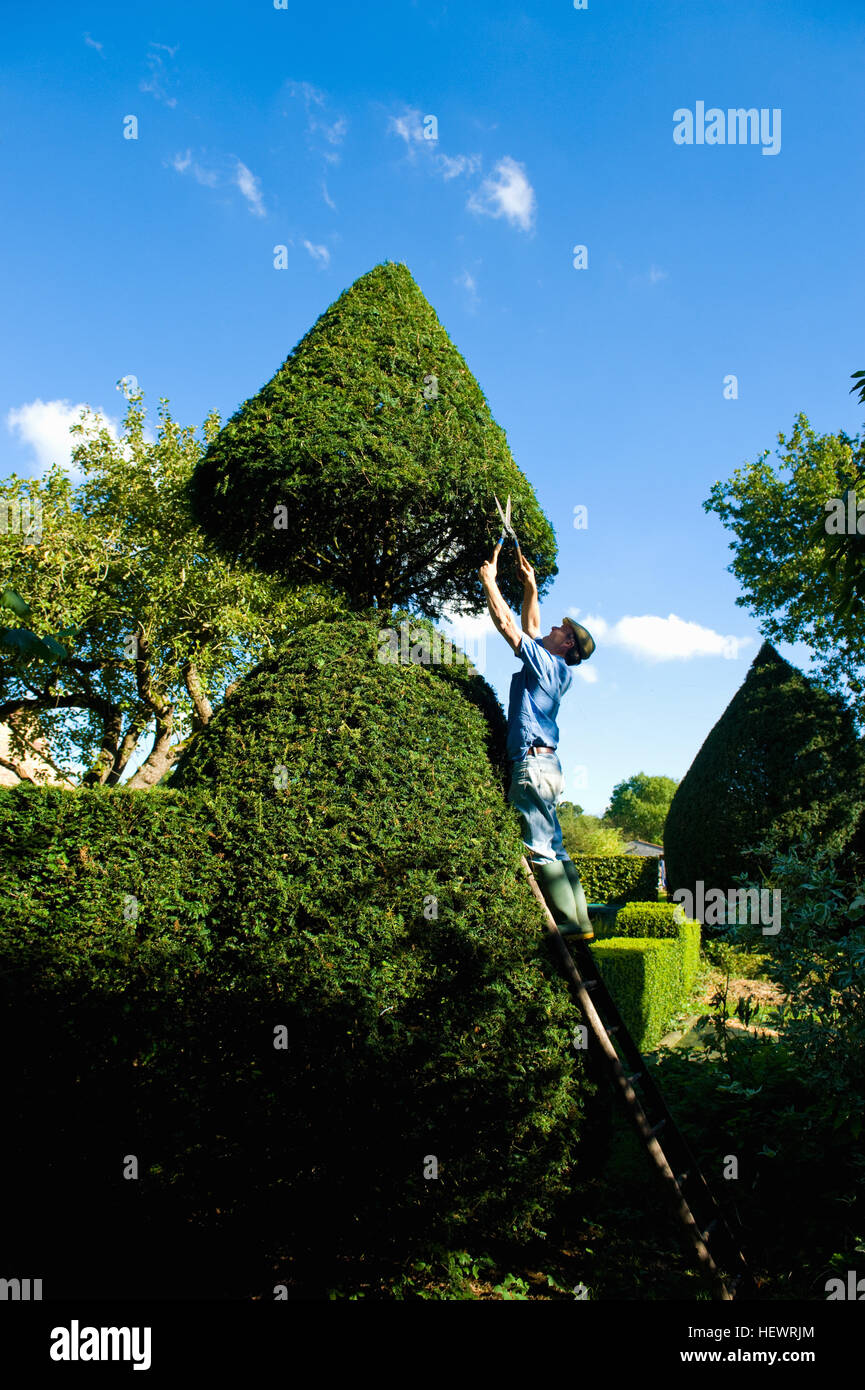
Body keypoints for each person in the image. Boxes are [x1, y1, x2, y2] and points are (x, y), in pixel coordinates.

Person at [479, 541, 596, 939]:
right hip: (550, 767)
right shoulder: (559, 668)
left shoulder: (546, 662)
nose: (552, 627)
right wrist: (530, 586)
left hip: (531, 765)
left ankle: (566, 924)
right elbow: (531, 628)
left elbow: (510, 627)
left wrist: (490, 584)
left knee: (541, 849)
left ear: (567, 645)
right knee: (558, 848)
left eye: (560, 629)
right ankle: (580, 923)